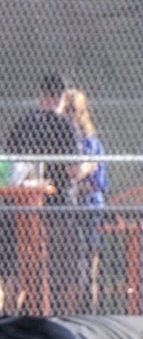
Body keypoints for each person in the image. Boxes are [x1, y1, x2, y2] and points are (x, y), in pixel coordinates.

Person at [5, 74, 80, 314]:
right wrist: (87, 167)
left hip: (22, 206)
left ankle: (11, 312)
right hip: (56, 205)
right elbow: (73, 170)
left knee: (18, 263)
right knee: (56, 265)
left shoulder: (25, 122)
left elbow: (9, 163)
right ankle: (55, 313)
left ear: (41, 95)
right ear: (62, 98)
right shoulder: (66, 125)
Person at [60, 87, 108, 313]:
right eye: (66, 109)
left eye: (73, 110)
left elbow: (94, 178)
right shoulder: (59, 138)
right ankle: (69, 309)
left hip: (89, 205)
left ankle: (90, 309)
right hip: (69, 206)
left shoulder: (91, 142)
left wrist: (78, 178)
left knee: (90, 261)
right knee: (70, 261)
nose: (69, 114)